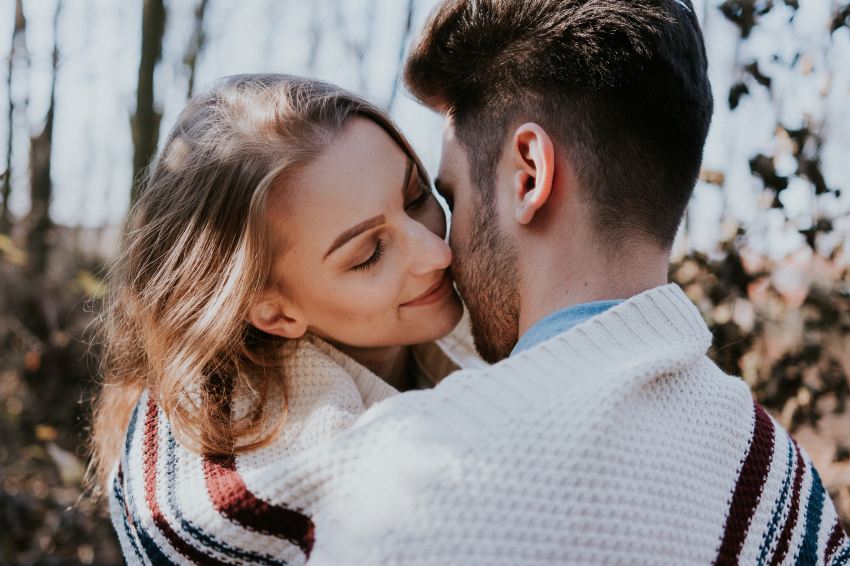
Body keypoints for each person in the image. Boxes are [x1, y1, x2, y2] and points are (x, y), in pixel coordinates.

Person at [263, 0, 849, 564]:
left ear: (529, 175)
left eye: (447, 196)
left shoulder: (411, 483)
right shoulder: (782, 481)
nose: (441, 251)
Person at [91, 74, 482, 565]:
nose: (437, 254)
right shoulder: (238, 491)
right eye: (368, 253)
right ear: (274, 312)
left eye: (416, 198)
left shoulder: (505, 308)